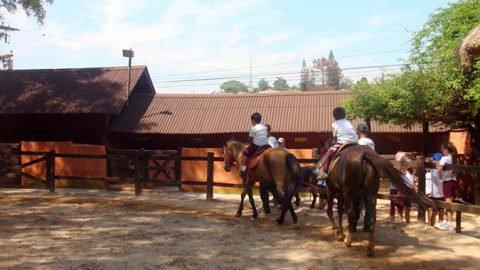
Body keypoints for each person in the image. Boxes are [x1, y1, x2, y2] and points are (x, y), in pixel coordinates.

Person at [318, 107, 358, 178]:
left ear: (334, 116)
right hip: (355, 142)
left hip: (343, 142)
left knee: (329, 153)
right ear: (344, 115)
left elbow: (335, 137)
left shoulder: (334, 124)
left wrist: (333, 143)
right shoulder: (348, 122)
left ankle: (324, 171)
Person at [353, 123, 374, 231]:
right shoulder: (371, 142)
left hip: (360, 169)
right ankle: (367, 224)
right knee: (369, 199)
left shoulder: (358, 142)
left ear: (359, 132)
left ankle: (354, 223)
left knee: (356, 198)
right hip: (371, 168)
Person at [435, 142, 458, 232]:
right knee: (448, 201)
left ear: (445, 150)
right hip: (452, 180)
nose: (442, 152)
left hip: (447, 181)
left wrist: (437, 164)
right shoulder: (454, 158)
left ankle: (450, 224)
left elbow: (439, 169)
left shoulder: (445, 158)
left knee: (448, 202)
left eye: (442, 150)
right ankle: (446, 221)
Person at [259, 124, 281, 215]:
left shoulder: (270, 139)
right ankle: (267, 207)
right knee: (268, 188)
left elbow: (271, 150)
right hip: (267, 168)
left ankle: (269, 208)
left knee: (267, 188)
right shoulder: (267, 139)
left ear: (268, 131)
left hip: (268, 169)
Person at [240, 112, 269, 180]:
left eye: (251, 121)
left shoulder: (253, 128)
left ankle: (243, 170)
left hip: (257, 145)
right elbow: (266, 135)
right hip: (265, 145)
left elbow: (250, 139)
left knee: (244, 153)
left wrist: (251, 142)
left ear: (253, 120)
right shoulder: (265, 127)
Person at [427, 153, 445, 227]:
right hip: (434, 193)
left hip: (441, 193)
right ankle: (431, 225)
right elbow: (427, 168)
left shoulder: (442, 169)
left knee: (441, 210)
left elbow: (442, 175)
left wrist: (439, 166)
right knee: (434, 211)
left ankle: (441, 224)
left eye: (436, 160)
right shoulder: (432, 169)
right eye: (434, 160)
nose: (435, 162)